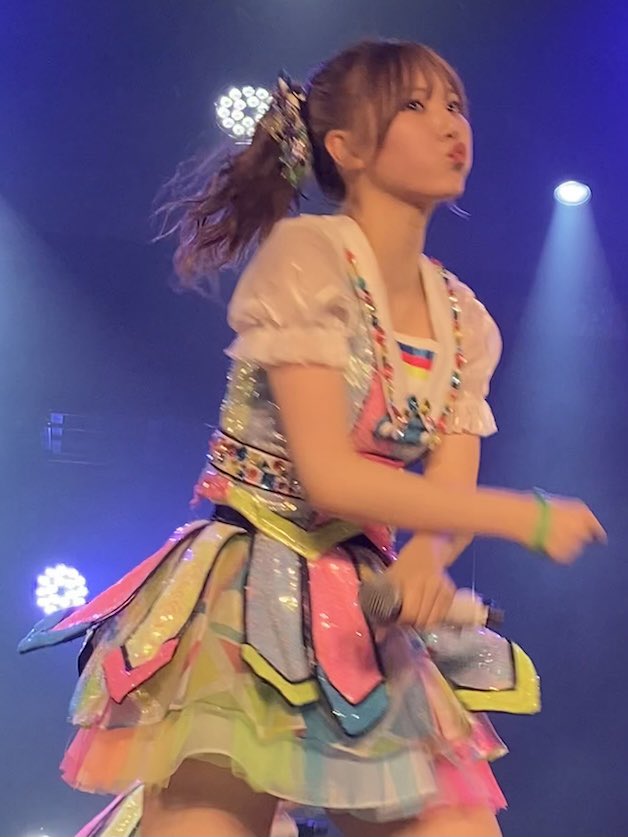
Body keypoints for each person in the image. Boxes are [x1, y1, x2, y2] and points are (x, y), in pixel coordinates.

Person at [20, 39, 606, 837]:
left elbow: (450, 492)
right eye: (415, 105)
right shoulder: (306, 257)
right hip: (244, 588)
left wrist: (427, 561)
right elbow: (329, 474)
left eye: (455, 105)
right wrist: (527, 516)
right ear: (346, 147)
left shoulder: (465, 319)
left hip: (361, 606)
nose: (450, 124)